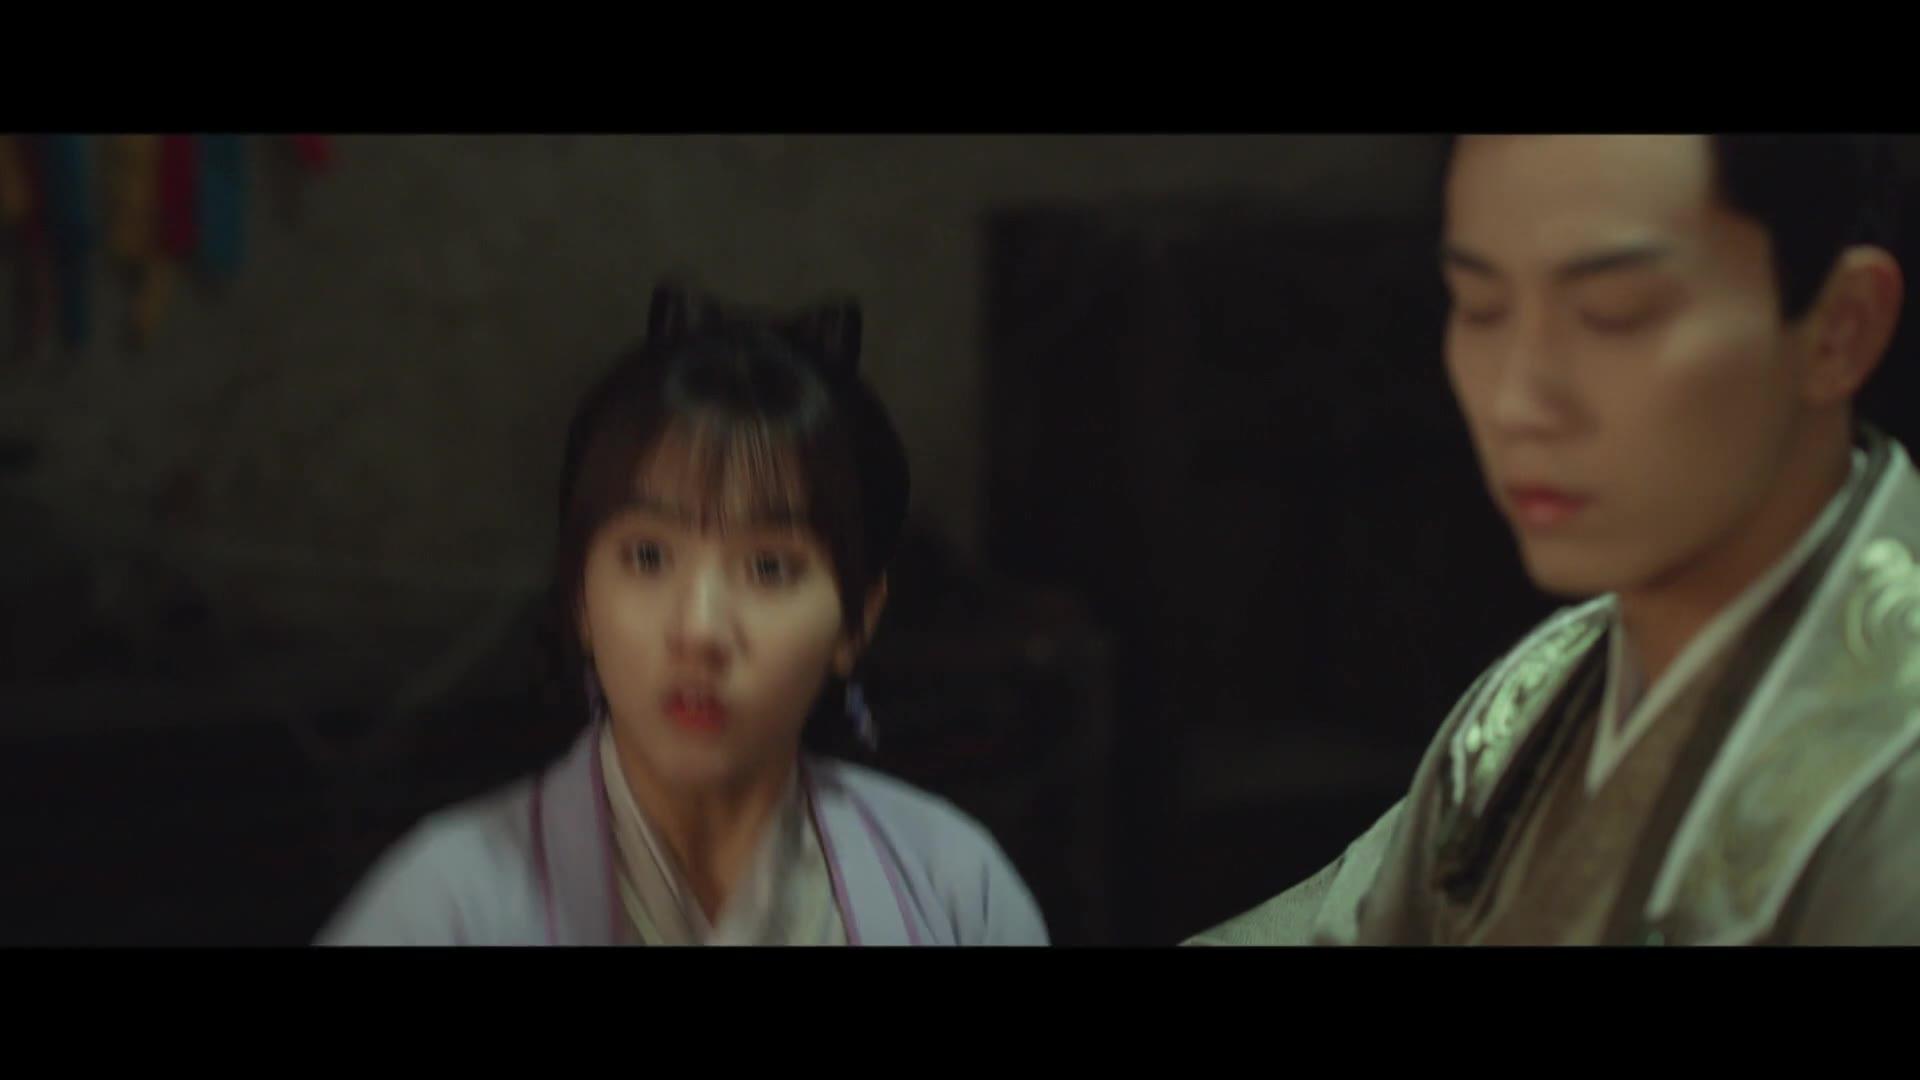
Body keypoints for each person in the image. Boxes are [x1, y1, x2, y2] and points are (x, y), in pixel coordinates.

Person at [1192, 134, 1920, 946]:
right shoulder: (1538, 704)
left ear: (1840, 328)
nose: (1517, 400)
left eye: (1613, 314)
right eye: (1480, 307)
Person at [319, 282, 1048, 945]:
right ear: (579, 597)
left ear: (856, 621)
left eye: (769, 568)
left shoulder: (955, 888)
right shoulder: (442, 908)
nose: (699, 629)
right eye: (647, 557)